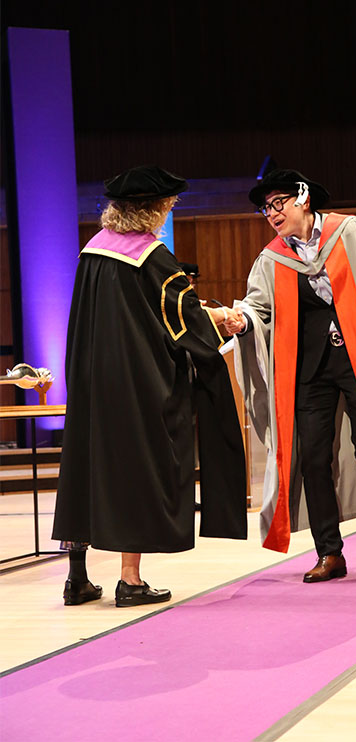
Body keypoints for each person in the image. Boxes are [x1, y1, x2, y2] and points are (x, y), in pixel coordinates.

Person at [52, 166, 247, 607]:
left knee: (85, 464)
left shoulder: (91, 253)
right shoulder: (151, 256)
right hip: (138, 383)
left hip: (90, 380)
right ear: (154, 209)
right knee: (138, 471)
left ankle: (77, 578)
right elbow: (183, 320)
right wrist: (225, 322)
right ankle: (130, 579)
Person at [226, 168, 356, 582]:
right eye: (266, 208)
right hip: (308, 369)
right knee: (314, 458)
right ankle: (329, 552)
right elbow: (257, 308)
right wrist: (241, 321)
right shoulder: (272, 257)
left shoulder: (351, 232)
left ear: (303, 200)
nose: (271, 213)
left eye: (278, 203)